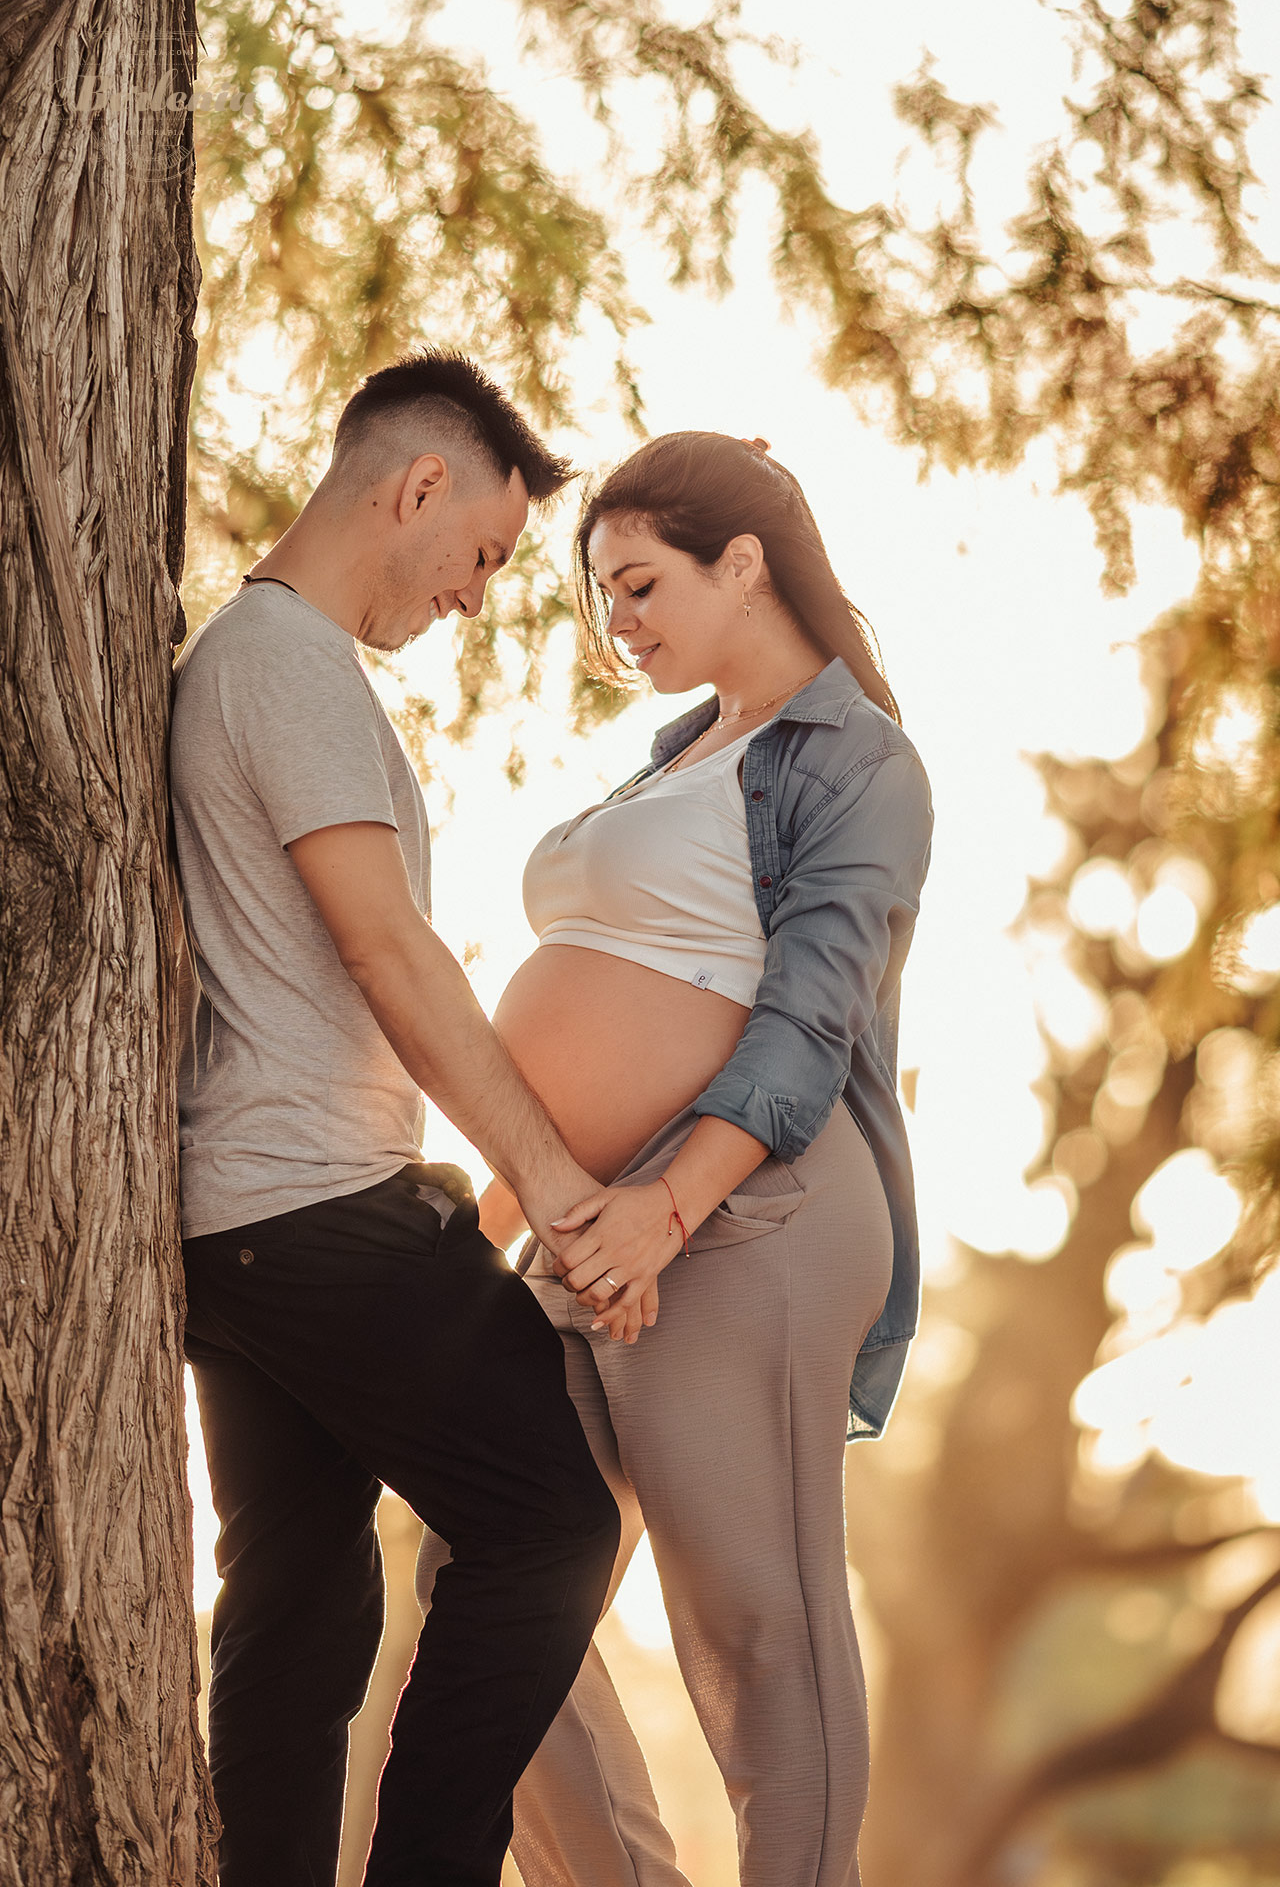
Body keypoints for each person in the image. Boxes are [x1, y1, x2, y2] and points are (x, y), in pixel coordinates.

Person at [417, 430, 934, 1886]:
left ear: (745, 563)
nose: (615, 624)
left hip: (749, 1216)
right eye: (601, 597)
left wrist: (663, 1209)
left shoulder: (860, 764)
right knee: (488, 1581)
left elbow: (806, 1021)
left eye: (639, 585)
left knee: (758, 1636)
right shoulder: (679, 756)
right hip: (586, 1219)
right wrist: (542, 1203)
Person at [171, 351, 621, 1887]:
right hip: (315, 1208)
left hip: (243, 1231)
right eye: (484, 553)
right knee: (553, 1526)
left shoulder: (254, 657)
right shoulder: (285, 661)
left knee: (301, 1613)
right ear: (417, 487)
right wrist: (549, 1178)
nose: (478, 595)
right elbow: (390, 949)